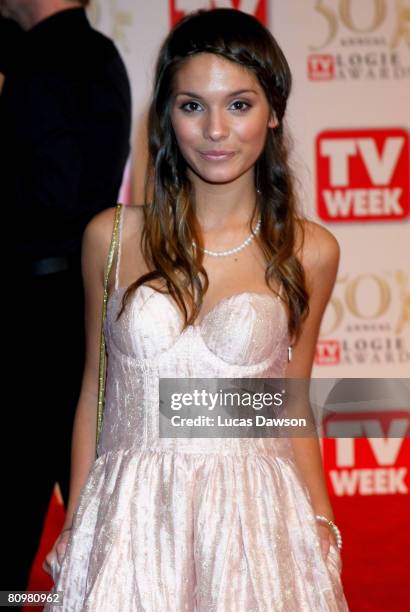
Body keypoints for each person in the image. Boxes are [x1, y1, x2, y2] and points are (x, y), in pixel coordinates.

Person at [44, 8, 349, 611]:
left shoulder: (309, 250)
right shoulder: (109, 238)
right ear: (167, 117)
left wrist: (319, 522)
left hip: (253, 524)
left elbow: (289, 407)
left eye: (239, 104)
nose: (215, 130)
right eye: (192, 105)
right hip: (129, 517)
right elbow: (93, 393)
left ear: (274, 111)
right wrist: (78, 522)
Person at [0, 0, 131, 596]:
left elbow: (50, 192)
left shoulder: (42, 65)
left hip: (35, 314)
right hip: (76, 304)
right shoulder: (98, 54)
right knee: (90, 503)